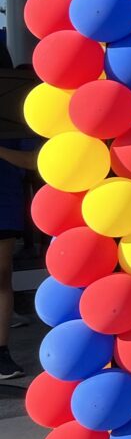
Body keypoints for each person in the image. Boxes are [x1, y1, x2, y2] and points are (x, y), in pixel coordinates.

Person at [0, 139, 38, 380]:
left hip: (4, 206)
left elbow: (34, 160)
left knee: (1, 277)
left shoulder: (12, 127)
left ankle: (1, 353)